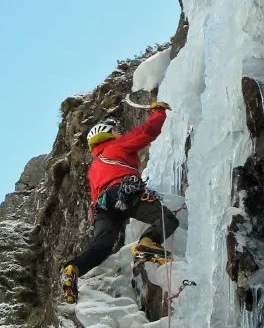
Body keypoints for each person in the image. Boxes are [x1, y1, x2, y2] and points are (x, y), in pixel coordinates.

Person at [62, 101, 179, 303]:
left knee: (102, 247)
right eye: (115, 131)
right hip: (123, 192)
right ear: (107, 135)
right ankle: (147, 243)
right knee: (167, 219)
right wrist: (158, 113)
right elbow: (146, 132)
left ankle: (73, 268)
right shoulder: (115, 146)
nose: (118, 133)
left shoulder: (94, 167)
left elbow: (96, 195)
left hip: (103, 206)